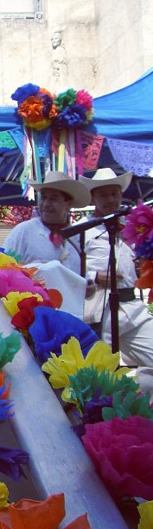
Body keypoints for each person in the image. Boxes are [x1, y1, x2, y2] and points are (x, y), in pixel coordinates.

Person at [80, 168, 153, 391]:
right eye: (104, 194)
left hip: (132, 306)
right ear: (93, 198)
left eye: (115, 193)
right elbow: (67, 269)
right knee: (99, 373)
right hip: (100, 309)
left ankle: (138, 405)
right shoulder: (83, 230)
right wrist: (93, 276)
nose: (111, 199)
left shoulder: (132, 227)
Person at [2, 171, 91, 318]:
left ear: (68, 204)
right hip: (34, 317)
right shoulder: (24, 231)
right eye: (43, 197)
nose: (46, 204)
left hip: (71, 317)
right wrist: (30, 270)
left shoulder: (77, 236)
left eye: (54, 199)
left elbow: (81, 279)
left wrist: (87, 287)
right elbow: (3, 272)